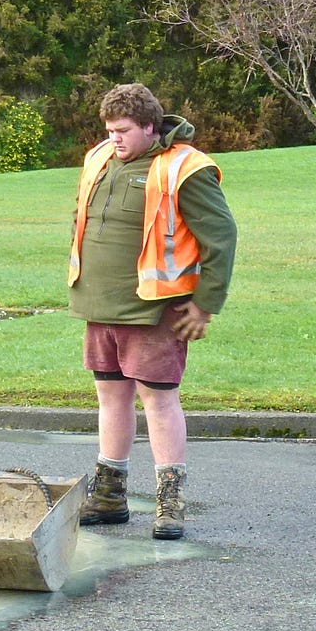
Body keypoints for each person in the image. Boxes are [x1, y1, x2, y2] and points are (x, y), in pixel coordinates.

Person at [67, 83, 237, 537]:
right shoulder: (100, 157)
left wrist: (205, 305)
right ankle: (109, 494)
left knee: (158, 400)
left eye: (122, 130)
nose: (114, 138)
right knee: (111, 397)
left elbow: (221, 238)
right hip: (100, 304)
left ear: (149, 126)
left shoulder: (186, 167)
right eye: (108, 130)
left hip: (155, 309)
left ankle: (170, 502)